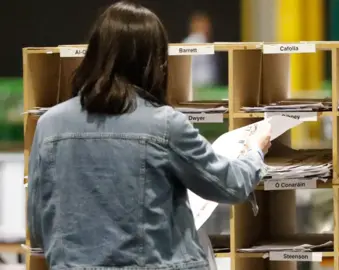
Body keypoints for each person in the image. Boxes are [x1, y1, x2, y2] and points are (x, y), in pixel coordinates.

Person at [26, 1, 271, 270]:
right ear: (155, 61)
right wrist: (255, 151)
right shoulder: (165, 125)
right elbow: (230, 185)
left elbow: (39, 227)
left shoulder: (49, 125)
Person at [183, 11, 218, 88]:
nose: (207, 28)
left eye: (208, 25)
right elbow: (186, 68)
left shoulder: (205, 41)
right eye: (203, 24)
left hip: (209, 85)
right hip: (196, 86)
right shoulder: (191, 42)